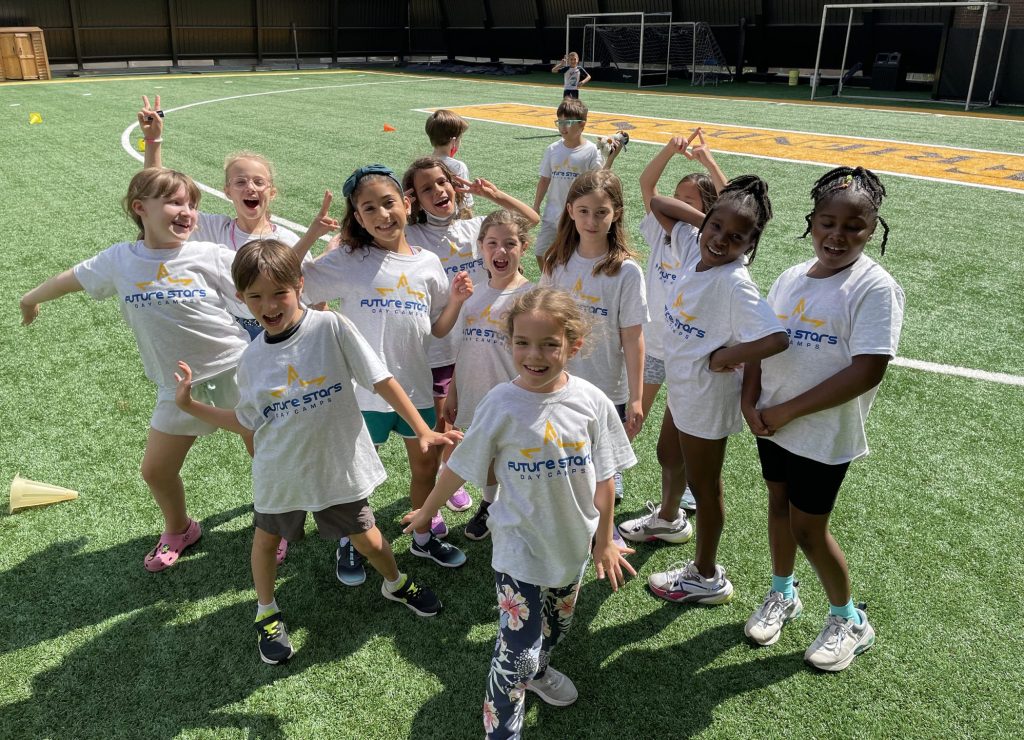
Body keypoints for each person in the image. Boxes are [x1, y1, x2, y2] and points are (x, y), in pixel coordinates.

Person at [173, 238, 455, 664]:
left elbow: (380, 379)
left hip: (336, 467)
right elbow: (247, 421)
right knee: (265, 542)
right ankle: (266, 611)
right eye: (255, 297)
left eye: (278, 293)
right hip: (280, 470)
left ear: (300, 285)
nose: (268, 305)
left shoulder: (332, 328)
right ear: (240, 298)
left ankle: (395, 582)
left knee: (372, 541)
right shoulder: (250, 360)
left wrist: (422, 429)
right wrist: (189, 405)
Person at [404, 287, 637, 739]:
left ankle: (541, 670)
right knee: (516, 656)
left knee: (557, 628)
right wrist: (425, 511)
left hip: (572, 546)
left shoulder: (592, 403)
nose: (535, 355)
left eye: (550, 344)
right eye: (523, 343)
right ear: (509, 343)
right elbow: (459, 467)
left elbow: (605, 479)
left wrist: (604, 539)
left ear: (574, 345)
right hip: (518, 547)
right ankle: (503, 730)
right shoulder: (500, 403)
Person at [19, 168, 249, 572]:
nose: (188, 212)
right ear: (140, 208)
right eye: (177, 202)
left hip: (236, 370)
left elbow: (263, 280)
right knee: (156, 470)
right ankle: (180, 528)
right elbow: (69, 279)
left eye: (192, 204)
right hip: (178, 386)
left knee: (264, 454)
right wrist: (30, 299)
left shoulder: (208, 254)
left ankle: (277, 522)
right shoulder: (119, 260)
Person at [741, 166, 904, 672]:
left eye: (853, 227)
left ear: (872, 229)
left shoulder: (874, 288)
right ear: (810, 221)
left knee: (810, 529)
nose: (837, 235)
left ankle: (850, 620)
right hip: (772, 423)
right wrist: (751, 401)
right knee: (778, 508)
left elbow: (868, 370)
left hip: (822, 434)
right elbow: (760, 342)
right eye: (827, 222)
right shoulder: (792, 276)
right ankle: (783, 593)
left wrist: (785, 409)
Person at [300, 164, 473, 583]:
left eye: (388, 202)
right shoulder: (349, 258)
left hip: (414, 386)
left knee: (425, 468)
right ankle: (352, 539)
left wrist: (455, 301)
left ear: (406, 203)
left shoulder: (429, 263)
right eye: (368, 208)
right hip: (362, 393)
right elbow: (293, 284)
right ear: (357, 218)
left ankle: (421, 535)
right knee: (356, 474)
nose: (381, 215)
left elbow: (435, 328)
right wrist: (309, 238)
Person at [644, 175, 790, 605]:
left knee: (705, 488)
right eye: (716, 228)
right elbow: (658, 203)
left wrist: (726, 358)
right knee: (668, 455)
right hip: (684, 385)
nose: (722, 241)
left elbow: (776, 338)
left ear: (750, 245)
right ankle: (669, 520)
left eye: (737, 237)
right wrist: (705, 220)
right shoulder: (695, 248)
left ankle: (706, 575)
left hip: (706, 396)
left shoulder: (735, 283)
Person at [403, 157, 539, 527]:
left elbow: (531, 221)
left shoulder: (475, 226)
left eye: (442, 183)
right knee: (450, 427)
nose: (438, 192)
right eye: (426, 189)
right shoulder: (411, 236)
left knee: (494, 434)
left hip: (481, 346)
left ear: (454, 184)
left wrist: (494, 194)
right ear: (413, 198)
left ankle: (480, 493)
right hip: (438, 349)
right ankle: (447, 485)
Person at [137, 95, 326, 340]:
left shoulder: (288, 239)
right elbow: (157, 196)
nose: (251, 188)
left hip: (283, 328)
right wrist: (153, 140)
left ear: (272, 192)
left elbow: (316, 300)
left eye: (259, 182)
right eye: (240, 182)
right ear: (227, 191)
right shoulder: (213, 229)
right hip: (232, 329)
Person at [618, 128, 725, 542]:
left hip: (690, 354)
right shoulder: (661, 232)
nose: (678, 203)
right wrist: (671, 148)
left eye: (690, 199)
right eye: (676, 197)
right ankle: (617, 472)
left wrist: (709, 162)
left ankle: (683, 499)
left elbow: (732, 201)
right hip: (653, 345)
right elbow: (648, 185)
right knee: (632, 415)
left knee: (682, 434)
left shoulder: (709, 245)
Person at [539, 169, 647, 503]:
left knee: (602, 469)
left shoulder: (626, 271)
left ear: (616, 214)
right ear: (570, 210)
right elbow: (542, 321)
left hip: (606, 386)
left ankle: (604, 527)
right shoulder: (557, 262)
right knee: (565, 460)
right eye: (584, 211)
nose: (592, 220)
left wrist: (637, 397)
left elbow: (632, 338)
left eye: (601, 212)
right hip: (559, 381)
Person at [441, 210, 535, 540]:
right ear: (480, 247)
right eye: (492, 243)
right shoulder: (473, 294)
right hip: (476, 393)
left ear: (523, 247)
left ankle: (517, 510)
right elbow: (462, 348)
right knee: (489, 458)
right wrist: (452, 391)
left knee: (514, 457)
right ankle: (489, 504)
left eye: (510, 244)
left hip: (515, 397)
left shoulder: (531, 297)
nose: (501, 252)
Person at [532, 98, 619, 269]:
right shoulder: (552, 149)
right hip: (552, 213)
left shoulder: (591, 151)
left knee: (571, 256)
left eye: (568, 122)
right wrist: (535, 206)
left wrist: (611, 158)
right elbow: (544, 179)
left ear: (582, 125)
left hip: (576, 216)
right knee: (541, 252)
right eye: (560, 122)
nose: (563, 127)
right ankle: (549, 284)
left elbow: (598, 180)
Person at [424, 109, 475, 215]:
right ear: (454, 141)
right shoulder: (458, 167)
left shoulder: (421, 164)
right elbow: (465, 206)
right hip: (451, 223)